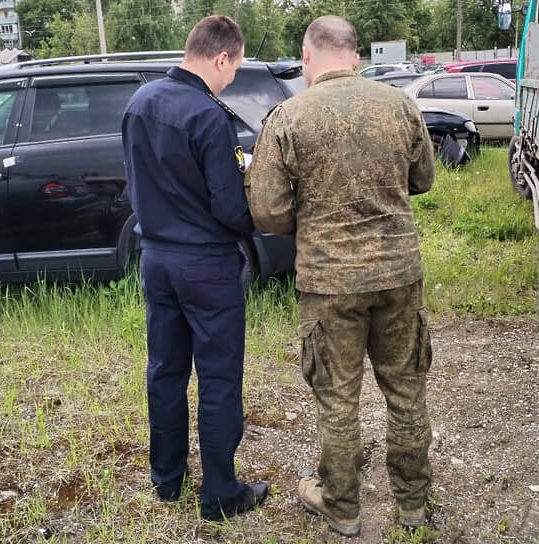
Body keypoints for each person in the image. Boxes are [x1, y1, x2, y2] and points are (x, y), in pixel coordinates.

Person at [244, 15, 436, 537]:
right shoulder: (400, 106)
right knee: (405, 390)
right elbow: (423, 179)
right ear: (356, 55)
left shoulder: (287, 117)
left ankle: (343, 508)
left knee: (337, 399)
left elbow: (265, 210)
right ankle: (414, 505)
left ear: (307, 56)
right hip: (399, 274)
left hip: (330, 283)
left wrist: (307, 219)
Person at [121, 15, 268, 521]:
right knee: (219, 377)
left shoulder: (139, 103)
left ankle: (167, 479)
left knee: (164, 371)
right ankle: (221, 493)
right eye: (235, 68)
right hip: (206, 265)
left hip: (156, 259)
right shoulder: (209, 116)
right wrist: (258, 220)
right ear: (220, 57)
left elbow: (134, 182)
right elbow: (229, 207)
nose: (233, 78)